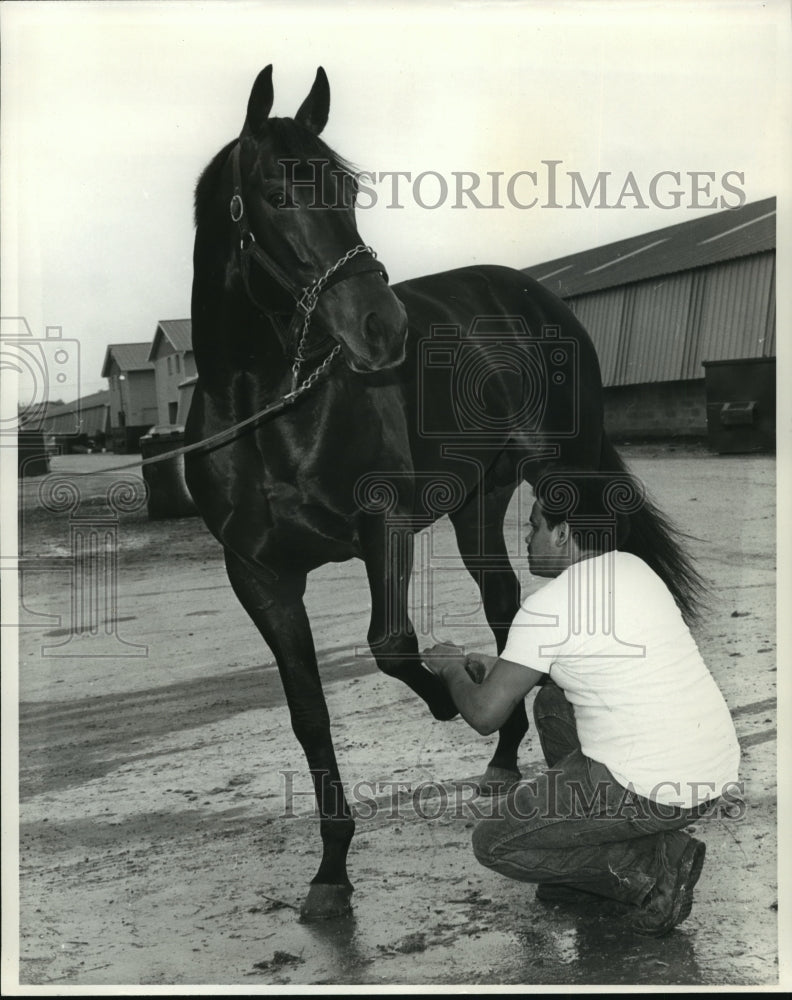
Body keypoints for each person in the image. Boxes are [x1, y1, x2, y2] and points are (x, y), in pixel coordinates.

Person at [421, 470, 740, 937]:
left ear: (564, 532)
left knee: (495, 843)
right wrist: (502, 665)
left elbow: (486, 715)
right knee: (551, 702)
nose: (527, 539)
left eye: (533, 526)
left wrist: (450, 669)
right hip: (708, 775)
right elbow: (577, 658)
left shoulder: (548, 606)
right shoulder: (633, 567)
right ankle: (586, 862)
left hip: (653, 791)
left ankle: (651, 871)